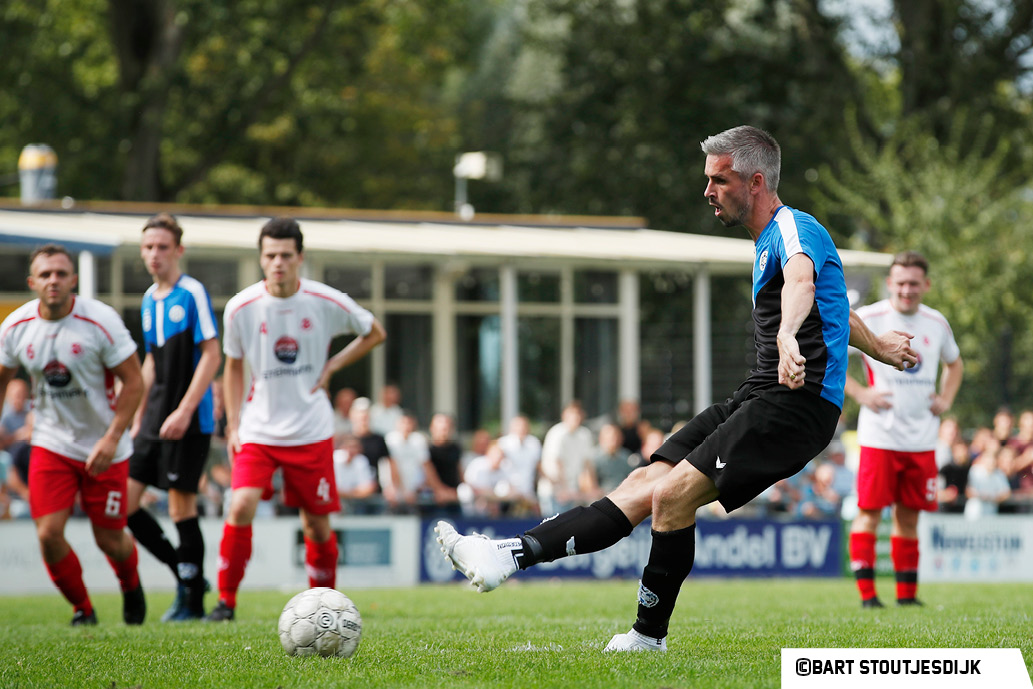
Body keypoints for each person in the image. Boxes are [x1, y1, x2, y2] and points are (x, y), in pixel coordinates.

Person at [435, 125, 918, 652]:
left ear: (755, 181)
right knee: (642, 484)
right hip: (760, 393)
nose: (708, 190)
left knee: (671, 497)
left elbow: (803, 283)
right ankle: (506, 556)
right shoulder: (768, 241)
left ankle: (648, 637)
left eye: (719, 180)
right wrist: (879, 348)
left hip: (797, 405)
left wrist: (785, 334)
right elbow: (834, 306)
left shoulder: (795, 230)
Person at [207, 217, 385, 621]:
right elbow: (232, 367)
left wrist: (334, 365)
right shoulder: (241, 307)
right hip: (259, 429)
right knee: (241, 505)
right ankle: (225, 602)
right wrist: (234, 424)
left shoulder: (325, 300)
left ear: (300, 258)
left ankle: (324, 608)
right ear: (261, 258)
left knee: (317, 527)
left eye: (286, 255)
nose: (278, 263)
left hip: (311, 430)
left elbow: (374, 332)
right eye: (270, 255)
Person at [0, 244, 146, 625]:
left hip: (106, 444)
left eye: (61, 274)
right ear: (32, 282)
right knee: (48, 534)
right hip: (51, 442)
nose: (54, 281)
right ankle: (83, 609)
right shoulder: (15, 328)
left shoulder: (101, 321)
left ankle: (131, 585)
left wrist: (112, 437)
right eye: (45, 274)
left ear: (74, 280)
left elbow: (134, 383)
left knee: (109, 539)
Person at [845, 250, 963, 608]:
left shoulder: (936, 322)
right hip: (879, 437)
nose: (906, 290)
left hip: (922, 439)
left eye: (914, 283)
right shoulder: (868, 317)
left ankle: (907, 597)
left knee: (908, 517)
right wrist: (860, 392)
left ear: (925, 285)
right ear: (889, 283)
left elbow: (955, 365)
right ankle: (868, 597)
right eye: (900, 282)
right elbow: (829, 356)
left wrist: (945, 398)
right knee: (868, 513)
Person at [125, 213, 222, 622]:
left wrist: (184, 409)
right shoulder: (149, 299)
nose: (154, 254)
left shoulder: (191, 292)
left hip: (189, 418)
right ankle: (188, 578)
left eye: (163, 247)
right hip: (154, 419)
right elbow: (152, 361)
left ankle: (192, 604)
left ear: (178, 250)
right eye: (148, 247)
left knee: (182, 508)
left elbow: (212, 355)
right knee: (125, 507)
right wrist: (136, 415)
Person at [537, 401, 596, 513]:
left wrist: (593, 489)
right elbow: (557, 463)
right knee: (553, 527)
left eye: (578, 413)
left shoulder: (585, 434)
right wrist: (563, 489)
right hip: (552, 491)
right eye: (572, 413)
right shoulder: (557, 433)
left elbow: (588, 464)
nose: (575, 417)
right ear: (564, 415)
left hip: (572, 493)